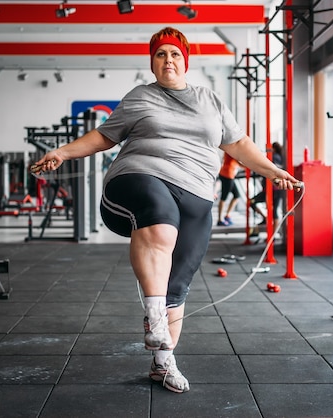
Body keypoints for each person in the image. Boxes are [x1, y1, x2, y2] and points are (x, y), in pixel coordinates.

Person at [32, 27, 301, 394]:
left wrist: (272, 171)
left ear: (185, 61)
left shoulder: (210, 100)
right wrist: (62, 152)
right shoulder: (139, 98)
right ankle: (153, 319)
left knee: (178, 284)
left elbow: (238, 144)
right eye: (161, 55)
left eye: (175, 54)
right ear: (152, 63)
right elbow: (104, 136)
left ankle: (163, 363)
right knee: (161, 219)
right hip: (139, 178)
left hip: (197, 194)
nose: (168, 60)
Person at [250, 142, 286, 224]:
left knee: (274, 211)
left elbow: (270, 170)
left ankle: (272, 233)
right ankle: (268, 224)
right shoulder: (278, 157)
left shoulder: (274, 157)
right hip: (273, 189)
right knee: (274, 211)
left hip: (273, 189)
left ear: (273, 149)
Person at [216, 153, 241, 226]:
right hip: (227, 175)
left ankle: (227, 215)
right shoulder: (232, 150)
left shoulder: (231, 149)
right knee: (224, 197)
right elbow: (239, 161)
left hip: (228, 174)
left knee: (236, 196)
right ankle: (220, 219)